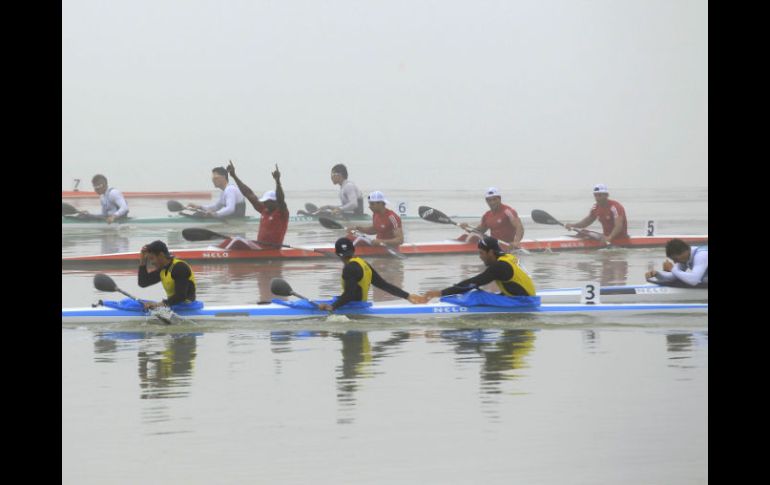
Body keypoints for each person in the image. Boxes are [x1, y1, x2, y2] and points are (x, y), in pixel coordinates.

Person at [317, 238, 424, 312]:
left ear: (336, 253)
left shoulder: (349, 268)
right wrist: (407, 296)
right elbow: (384, 285)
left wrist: (332, 306)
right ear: (353, 250)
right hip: (358, 304)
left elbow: (349, 295)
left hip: (354, 307)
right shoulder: (363, 264)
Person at [422, 236, 536, 301]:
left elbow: (472, 283)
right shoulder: (508, 257)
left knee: (476, 295)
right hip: (526, 297)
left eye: (481, 253)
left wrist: (440, 293)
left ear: (491, 252)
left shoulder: (499, 267)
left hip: (522, 302)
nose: (480, 257)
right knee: (481, 293)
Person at [226, 160, 289, 248]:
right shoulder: (264, 209)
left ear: (275, 202)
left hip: (273, 249)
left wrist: (277, 182)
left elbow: (281, 199)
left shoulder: (282, 212)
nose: (265, 204)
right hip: (260, 248)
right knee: (234, 240)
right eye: (264, 202)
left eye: (268, 202)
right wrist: (234, 176)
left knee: (237, 241)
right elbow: (249, 194)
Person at [137, 240, 197, 310]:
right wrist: (143, 261)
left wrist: (158, 304)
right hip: (173, 305)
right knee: (134, 303)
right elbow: (143, 283)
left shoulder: (180, 267)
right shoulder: (163, 270)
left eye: (152, 258)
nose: (151, 263)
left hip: (187, 307)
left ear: (161, 255)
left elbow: (180, 296)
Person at [458, 187, 524, 249]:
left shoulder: (508, 211)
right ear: (486, 201)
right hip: (495, 244)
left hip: (508, 244)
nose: (492, 202)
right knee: (466, 235)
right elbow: (479, 231)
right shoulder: (487, 215)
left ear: (499, 199)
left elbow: (519, 227)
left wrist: (516, 242)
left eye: (494, 199)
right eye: (489, 200)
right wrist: (466, 227)